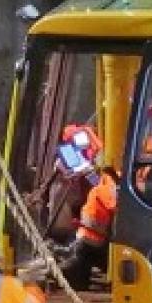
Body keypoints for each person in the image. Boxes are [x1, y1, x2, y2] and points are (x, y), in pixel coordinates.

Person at [53, 124, 116, 291]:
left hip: (101, 243)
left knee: (80, 255)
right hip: (96, 240)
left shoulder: (104, 186)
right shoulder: (103, 182)